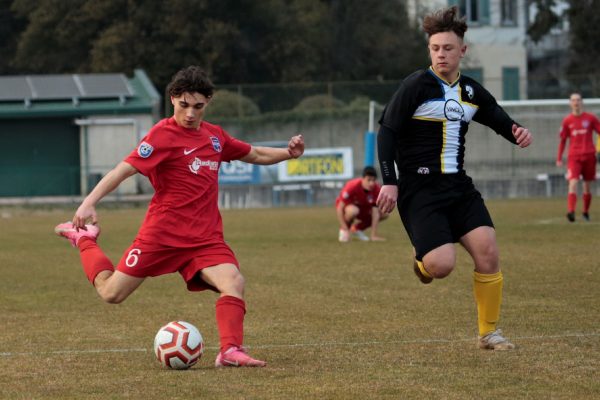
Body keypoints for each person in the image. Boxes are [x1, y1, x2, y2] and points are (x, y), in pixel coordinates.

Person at [54, 66, 304, 367]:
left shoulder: (215, 137)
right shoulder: (161, 135)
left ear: (207, 103)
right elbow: (124, 169)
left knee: (234, 281)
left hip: (204, 238)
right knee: (111, 293)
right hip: (162, 235)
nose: (189, 113)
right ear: (173, 99)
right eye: (183, 104)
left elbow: (255, 154)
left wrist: (288, 153)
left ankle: (230, 352)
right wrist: (89, 202)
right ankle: (84, 239)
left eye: (197, 106)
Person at [376, 6, 532, 351]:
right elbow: (386, 132)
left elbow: (495, 116)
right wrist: (390, 180)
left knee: (488, 252)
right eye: (435, 48)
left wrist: (516, 132)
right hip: (419, 190)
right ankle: (423, 262)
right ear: (429, 50)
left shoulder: (471, 91)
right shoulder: (416, 86)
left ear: (463, 50)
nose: (441, 54)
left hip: (458, 187)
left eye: (448, 48)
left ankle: (489, 333)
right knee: (441, 265)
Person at [556, 92, 600, 222]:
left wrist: (598, 149)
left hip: (589, 156)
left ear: (582, 102)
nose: (576, 102)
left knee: (586, 186)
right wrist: (559, 158)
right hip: (574, 156)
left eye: (578, 100)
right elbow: (563, 140)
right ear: (570, 103)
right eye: (573, 100)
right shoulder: (567, 121)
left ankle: (585, 212)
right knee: (573, 182)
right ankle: (571, 212)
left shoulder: (591, 118)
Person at [336, 166, 388, 242]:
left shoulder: (377, 189)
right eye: (369, 180)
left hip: (364, 208)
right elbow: (340, 208)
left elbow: (375, 213)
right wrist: (345, 228)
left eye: (373, 180)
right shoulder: (352, 186)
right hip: (349, 208)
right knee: (353, 211)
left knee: (384, 213)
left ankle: (356, 228)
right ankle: (344, 231)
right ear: (362, 179)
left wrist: (373, 235)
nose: (371, 183)